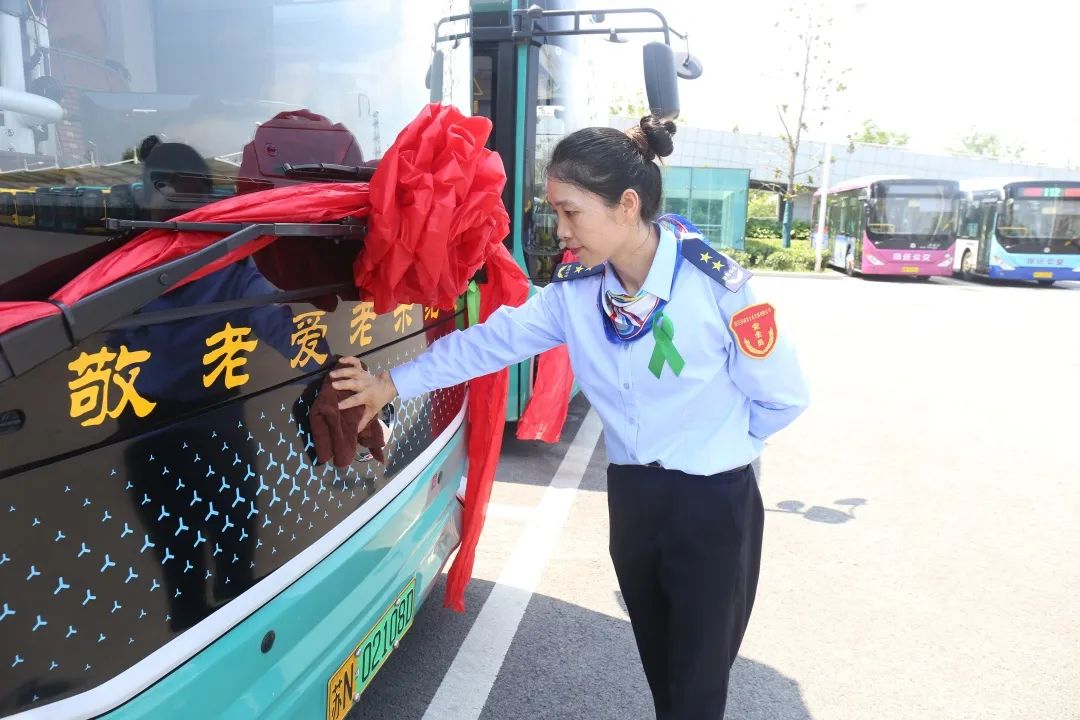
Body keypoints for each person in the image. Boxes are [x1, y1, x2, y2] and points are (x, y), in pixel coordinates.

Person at [330, 114, 810, 719]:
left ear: (626, 205)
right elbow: (490, 342)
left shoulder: (718, 288)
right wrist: (389, 383)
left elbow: (782, 397)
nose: (560, 229)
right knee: (664, 672)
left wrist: (718, 445)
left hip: (713, 504)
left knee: (696, 686)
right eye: (556, 211)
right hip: (634, 498)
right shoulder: (577, 293)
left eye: (571, 212)